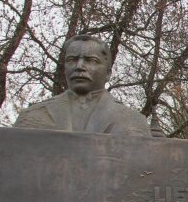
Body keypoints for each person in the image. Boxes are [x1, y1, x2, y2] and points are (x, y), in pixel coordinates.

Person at [14, 35, 150, 136]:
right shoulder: (33, 117)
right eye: (72, 60)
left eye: (91, 60)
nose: (79, 66)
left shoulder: (133, 122)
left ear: (108, 73)